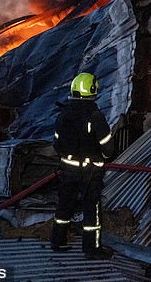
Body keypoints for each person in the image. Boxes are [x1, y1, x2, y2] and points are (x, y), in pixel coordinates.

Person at [50, 72, 115, 260]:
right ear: (92, 90)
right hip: (90, 172)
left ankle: (57, 241)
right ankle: (91, 249)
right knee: (91, 209)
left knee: (64, 206)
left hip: (67, 170)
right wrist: (100, 157)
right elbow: (108, 149)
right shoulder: (95, 116)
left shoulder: (63, 115)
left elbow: (56, 144)